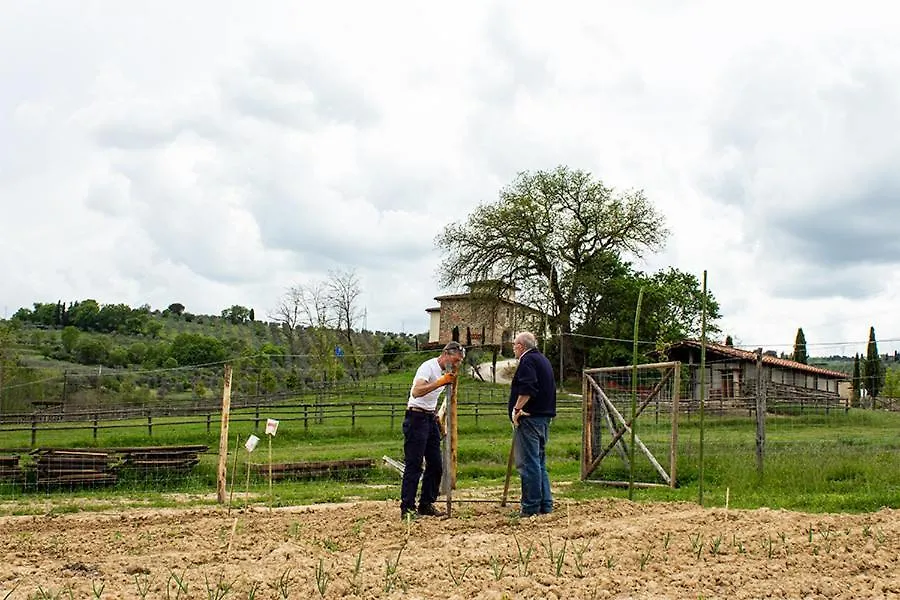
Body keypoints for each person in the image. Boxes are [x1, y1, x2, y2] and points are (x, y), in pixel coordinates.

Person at [400, 341, 465, 520]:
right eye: (455, 360)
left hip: (430, 418)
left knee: (436, 464)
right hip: (416, 418)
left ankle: (426, 504)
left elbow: (435, 399)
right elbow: (417, 392)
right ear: (445, 354)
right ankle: (407, 508)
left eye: (459, 361)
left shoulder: (446, 372)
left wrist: (438, 417)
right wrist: (439, 382)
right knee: (414, 464)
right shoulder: (428, 367)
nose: (456, 364)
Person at [508, 331, 556, 517]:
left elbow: (528, 388)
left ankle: (530, 507)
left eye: (514, 344)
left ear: (521, 346)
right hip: (544, 418)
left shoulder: (527, 361)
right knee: (539, 462)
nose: (513, 348)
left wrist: (517, 409)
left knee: (528, 463)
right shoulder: (543, 360)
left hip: (530, 418)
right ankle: (545, 505)